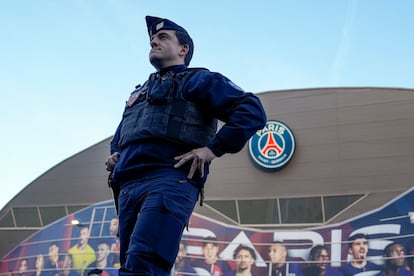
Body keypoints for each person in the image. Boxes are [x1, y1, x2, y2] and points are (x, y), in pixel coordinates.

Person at [105, 15, 266, 276]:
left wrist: (213, 149)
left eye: (163, 37)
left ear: (183, 49)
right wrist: (115, 155)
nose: (154, 41)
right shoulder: (139, 92)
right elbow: (121, 136)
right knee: (131, 265)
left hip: (169, 179)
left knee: (144, 264)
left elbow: (251, 111)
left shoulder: (199, 80)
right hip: (128, 186)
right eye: (152, 39)